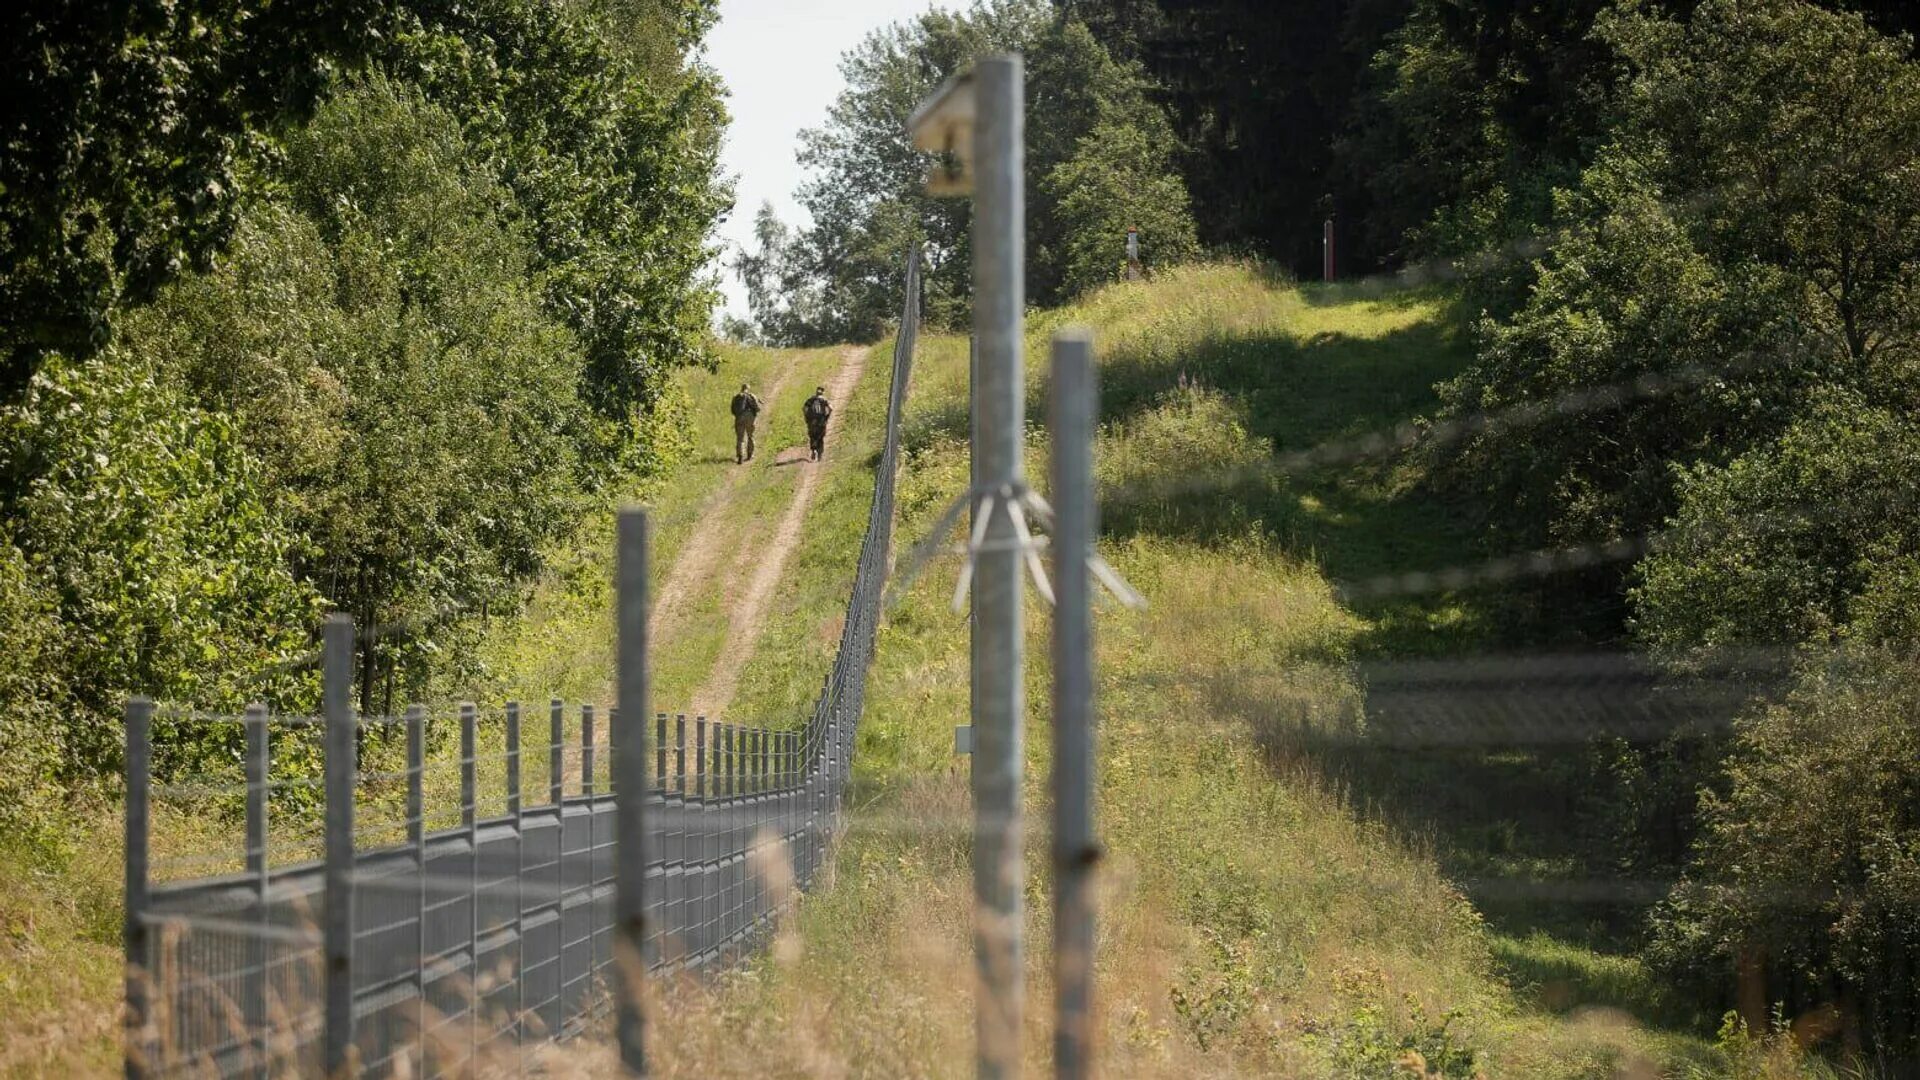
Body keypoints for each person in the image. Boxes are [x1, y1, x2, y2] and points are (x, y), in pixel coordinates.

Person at [730, 382, 762, 464]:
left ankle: (740, 456)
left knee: (740, 438)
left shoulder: (736, 397)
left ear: (741, 388)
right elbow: (758, 408)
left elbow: (732, 410)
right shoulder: (751, 396)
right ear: (748, 388)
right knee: (750, 436)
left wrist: (738, 416)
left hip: (739, 417)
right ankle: (749, 455)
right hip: (750, 417)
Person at [802, 385, 833, 461]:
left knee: (812, 436)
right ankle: (820, 455)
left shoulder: (811, 399)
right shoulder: (824, 400)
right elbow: (831, 408)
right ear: (823, 392)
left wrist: (806, 417)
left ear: (816, 391)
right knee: (820, 437)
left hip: (812, 421)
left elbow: (804, 408)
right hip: (821, 421)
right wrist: (827, 416)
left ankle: (813, 451)